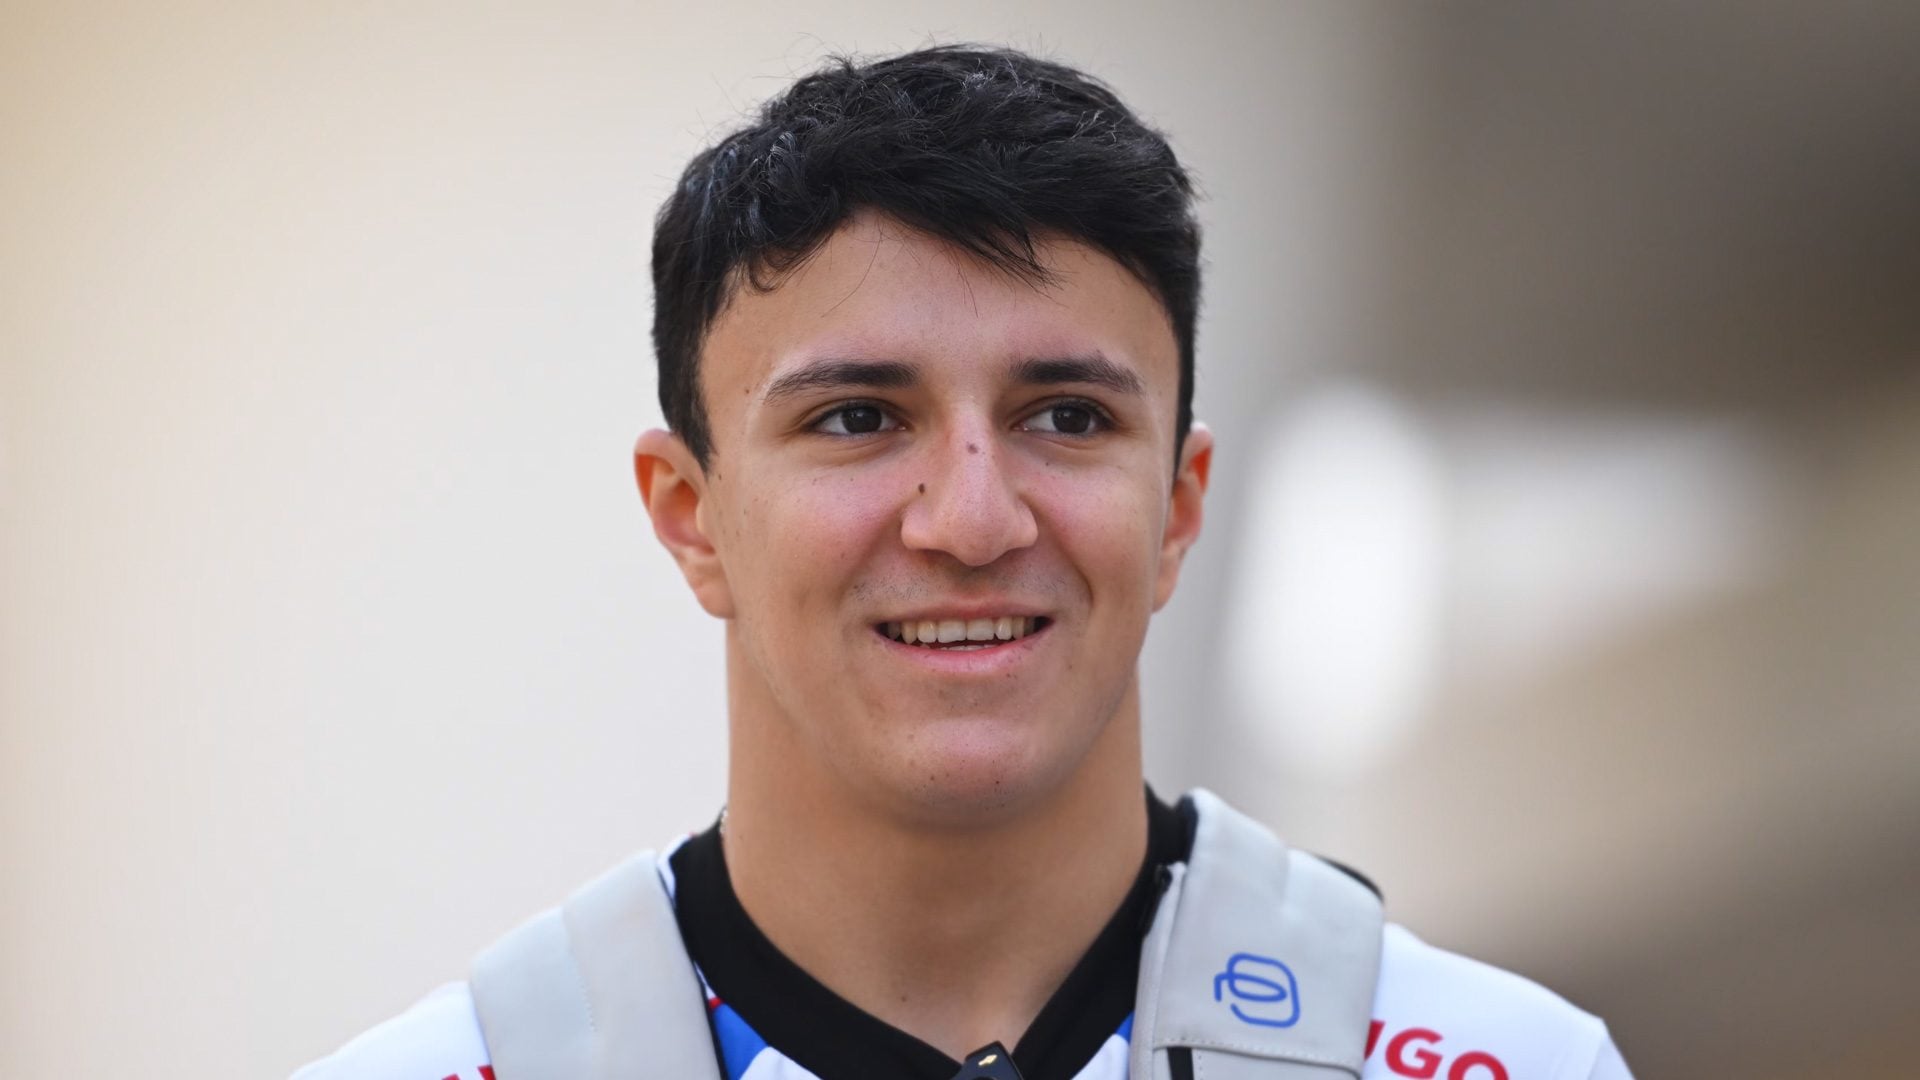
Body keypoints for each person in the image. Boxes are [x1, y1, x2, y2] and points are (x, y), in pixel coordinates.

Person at [294, 45, 1633, 1080]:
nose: (973, 521)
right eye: (857, 419)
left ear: (1178, 510)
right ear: (692, 517)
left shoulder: (1516, 1065)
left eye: (1069, 417)